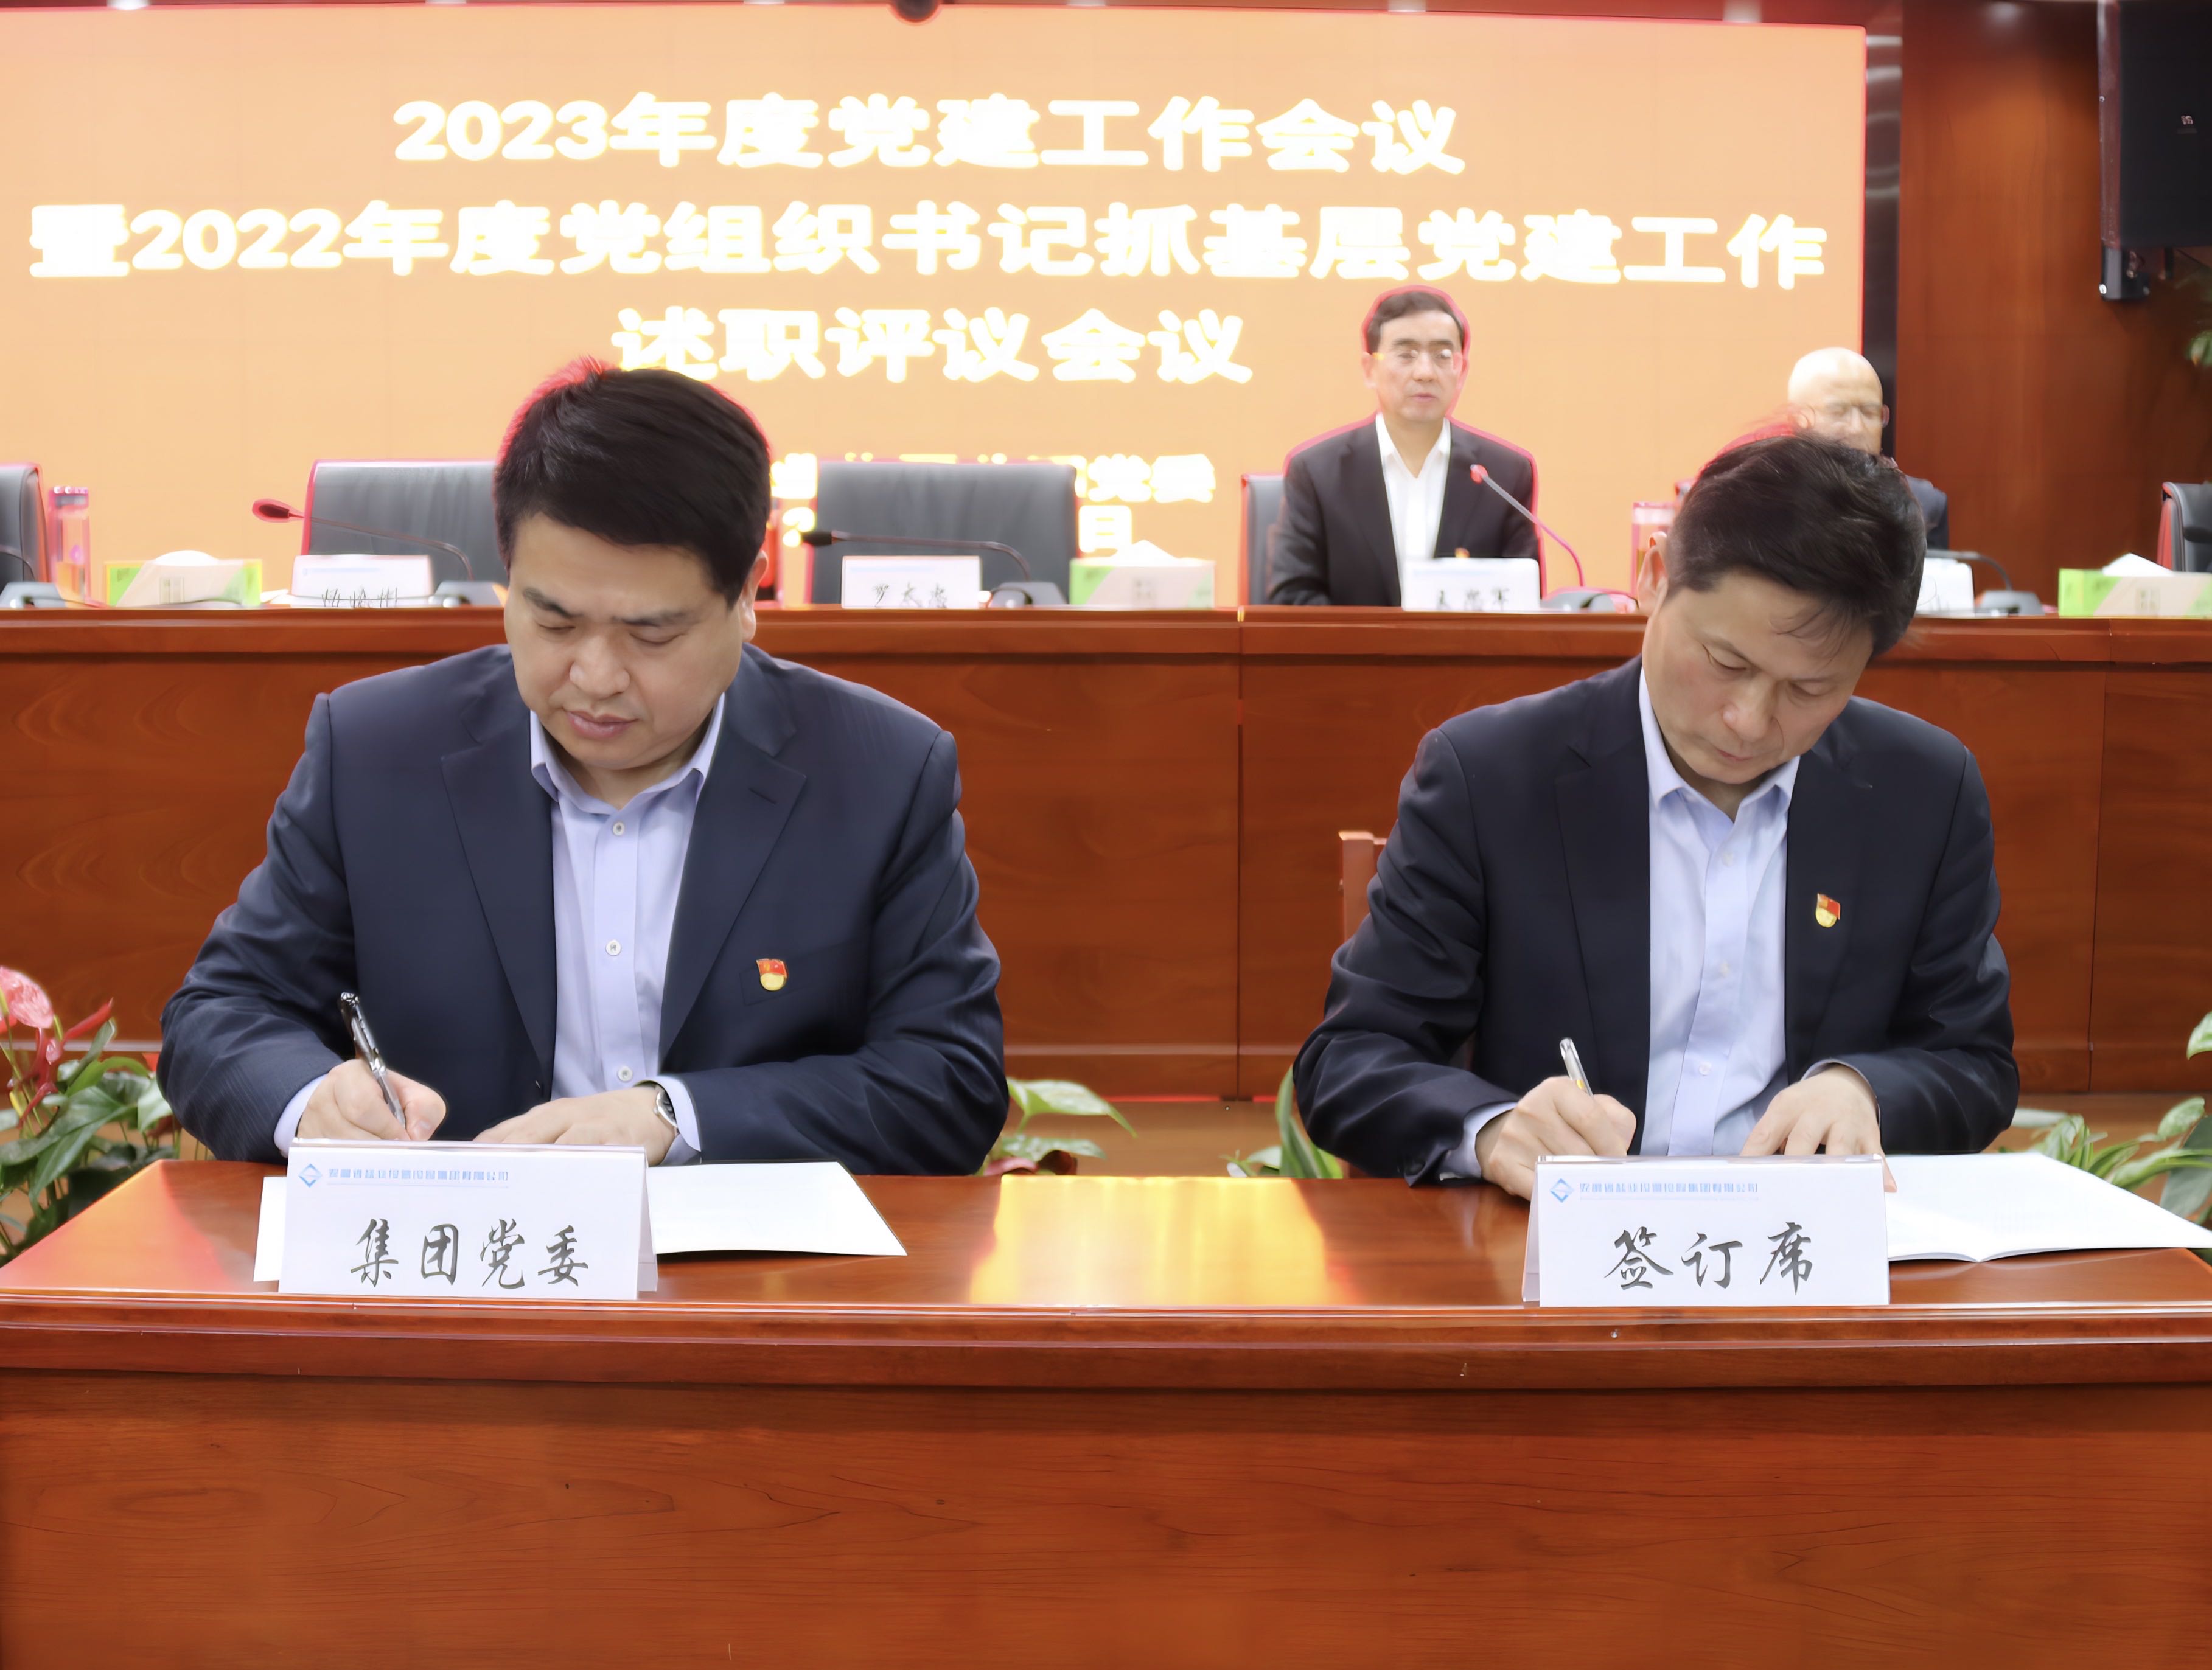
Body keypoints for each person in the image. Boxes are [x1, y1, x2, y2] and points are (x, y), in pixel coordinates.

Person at [161, 363, 1007, 1171]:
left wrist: (676, 1116)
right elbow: (221, 1015)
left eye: (651, 634)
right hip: (462, 1253)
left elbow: (948, 1081)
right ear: (509, 578)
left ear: (748, 594)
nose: (595, 677)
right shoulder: (378, 749)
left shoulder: (879, 771)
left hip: (749, 1264)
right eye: (555, 623)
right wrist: (312, 1100)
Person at [1294, 433, 2015, 1195]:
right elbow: (1350, 1059)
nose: (1747, 720)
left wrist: (1861, 1090)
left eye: (1808, 690)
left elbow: (1973, 1063)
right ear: (1654, 576)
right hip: (1557, 1247)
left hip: (1799, 1249)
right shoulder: (1490, 775)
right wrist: (1493, 1129)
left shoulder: (1921, 790)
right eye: (1726, 663)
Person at [1266, 287, 1539, 606]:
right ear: (1370, 370)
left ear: (1461, 370)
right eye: (1406, 355)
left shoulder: (1504, 475)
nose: (1425, 373)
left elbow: (1522, 604)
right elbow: (1292, 598)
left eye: (1442, 356)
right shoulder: (1317, 473)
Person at [1788, 346, 1950, 549]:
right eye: (1838, 412)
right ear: (1797, 419)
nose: (1857, 428)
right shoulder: (1763, 498)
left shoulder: (1924, 505)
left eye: (1870, 412)